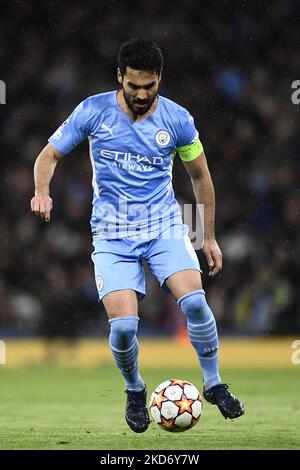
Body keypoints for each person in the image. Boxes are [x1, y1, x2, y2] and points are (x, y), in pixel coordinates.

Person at [31, 39, 244, 433]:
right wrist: (43, 191)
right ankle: (134, 389)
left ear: (159, 79)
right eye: (134, 87)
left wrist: (208, 237)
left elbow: (200, 177)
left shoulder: (178, 120)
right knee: (125, 327)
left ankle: (213, 383)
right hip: (112, 236)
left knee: (195, 303)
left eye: (150, 86)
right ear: (120, 77)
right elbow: (48, 156)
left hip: (163, 227)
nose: (142, 94)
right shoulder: (92, 111)